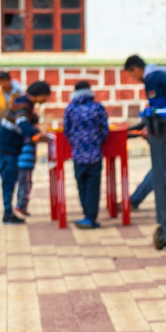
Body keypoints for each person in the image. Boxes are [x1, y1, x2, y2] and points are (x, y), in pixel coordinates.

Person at [123, 54, 166, 209]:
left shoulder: (152, 79)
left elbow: (158, 110)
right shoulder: (160, 75)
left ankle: (134, 201)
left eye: (131, 74)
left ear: (137, 69)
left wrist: (149, 129)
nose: (132, 77)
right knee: (164, 166)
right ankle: (135, 200)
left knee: (160, 166)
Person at [0, 80, 51, 224]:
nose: (45, 100)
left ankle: (9, 212)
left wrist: (36, 132)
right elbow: (22, 122)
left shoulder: (24, 103)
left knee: (10, 181)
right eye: (45, 96)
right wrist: (34, 134)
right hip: (6, 149)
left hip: (9, 148)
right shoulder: (23, 105)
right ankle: (7, 214)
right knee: (8, 182)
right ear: (39, 95)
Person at [63, 80, 110, 229]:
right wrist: (97, 142)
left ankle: (87, 215)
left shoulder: (70, 109)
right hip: (95, 154)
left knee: (81, 185)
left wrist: (76, 143)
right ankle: (91, 217)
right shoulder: (98, 108)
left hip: (78, 155)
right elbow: (105, 130)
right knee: (93, 186)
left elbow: (66, 130)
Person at [14, 110, 40, 217]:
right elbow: (37, 137)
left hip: (20, 162)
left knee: (22, 184)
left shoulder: (20, 131)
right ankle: (21, 205)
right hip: (26, 164)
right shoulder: (32, 132)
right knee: (26, 185)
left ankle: (20, 204)